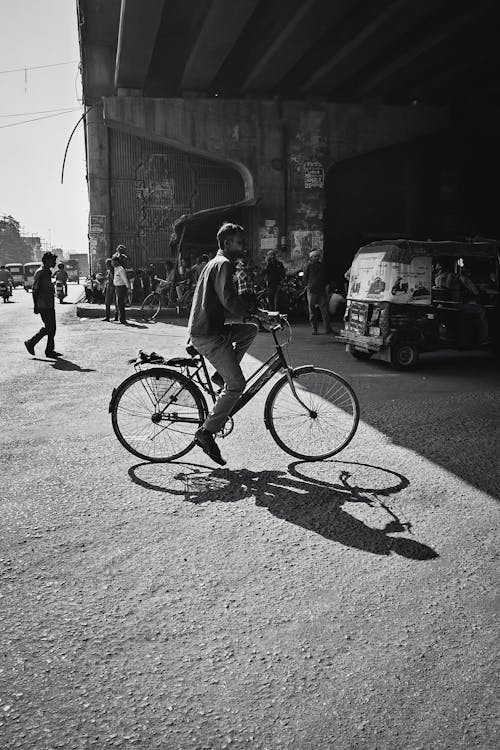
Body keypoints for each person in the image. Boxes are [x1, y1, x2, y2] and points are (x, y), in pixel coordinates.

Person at [187, 222, 258, 466]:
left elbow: (226, 302)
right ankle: (206, 432)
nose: (243, 246)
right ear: (227, 243)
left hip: (210, 328)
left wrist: (256, 315)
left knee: (249, 331)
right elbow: (229, 300)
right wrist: (252, 312)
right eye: (239, 242)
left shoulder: (215, 263)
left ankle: (220, 376)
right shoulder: (223, 264)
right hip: (208, 334)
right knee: (237, 384)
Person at [24, 252, 61, 358]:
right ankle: (31, 342)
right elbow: (35, 290)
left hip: (49, 304)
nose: (54, 263)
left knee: (52, 328)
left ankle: (49, 350)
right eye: (53, 261)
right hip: (43, 304)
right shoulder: (40, 272)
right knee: (49, 327)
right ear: (48, 261)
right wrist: (36, 305)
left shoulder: (47, 272)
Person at [303, 250, 332, 335]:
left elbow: (325, 277)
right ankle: (314, 329)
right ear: (311, 258)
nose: (317, 258)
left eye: (317, 256)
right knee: (312, 312)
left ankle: (328, 329)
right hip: (312, 291)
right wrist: (307, 286)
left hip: (321, 291)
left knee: (325, 311)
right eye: (315, 256)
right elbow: (305, 277)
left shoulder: (322, 266)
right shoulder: (308, 266)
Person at [112, 255, 130, 324]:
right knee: (117, 304)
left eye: (113, 262)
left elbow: (125, 279)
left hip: (121, 288)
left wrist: (128, 288)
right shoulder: (115, 269)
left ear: (117, 262)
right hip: (117, 287)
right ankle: (117, 318)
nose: (112, 264)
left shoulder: (121, 269)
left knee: (120, 304)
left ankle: (122, 319)